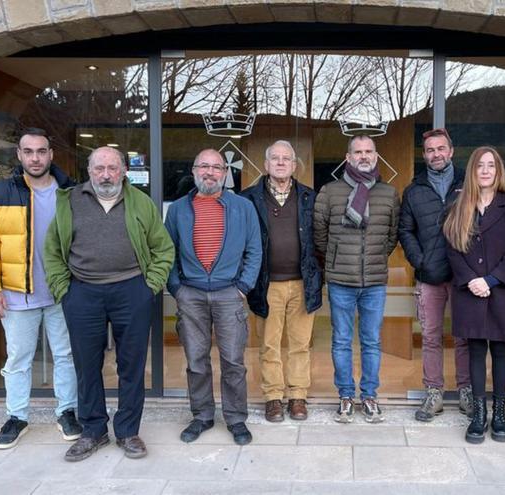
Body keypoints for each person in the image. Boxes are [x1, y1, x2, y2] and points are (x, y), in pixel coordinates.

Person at [44, 146, 174, 462]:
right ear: (89, 171)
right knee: (87, 366)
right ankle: (93, 431)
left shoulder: (140, 203)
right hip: (83, 292)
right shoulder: (70, 201)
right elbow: (51, 251)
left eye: (113, 168)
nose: (106, 174)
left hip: (132, 290)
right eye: (100, 168)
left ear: (124, 171)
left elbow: (164, 249)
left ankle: (128, 431)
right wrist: (65, 291)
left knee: (130, 365)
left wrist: (149, 286)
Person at [0, 128, 81, 449]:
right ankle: (17, 416)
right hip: (17, 294)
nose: (36, 157)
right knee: (18, 358)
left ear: (51, 154)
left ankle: (67, 411)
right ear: (19, 155)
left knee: (66, 355)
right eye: (29, 151)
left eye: (41, 151)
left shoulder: (70, 192)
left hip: (62, 292)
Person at [165, 148, 262, 445]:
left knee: (233, 360)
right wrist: (177, 288)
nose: (210, 172)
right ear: (194, 171)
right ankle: (202, 416)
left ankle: (236, 418)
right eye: (203, 166)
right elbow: (167, 252)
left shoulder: (243, 207)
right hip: (190, 294)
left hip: (229, 293)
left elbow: (255, 250)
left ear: (225, 173)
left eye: (216, 167)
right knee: (196, 360)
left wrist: (243, 286)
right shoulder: (179, 209)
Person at [443, 147, 505, 443]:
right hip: (469, 291)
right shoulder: (459, 204)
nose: (485, 170)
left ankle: (500, 414)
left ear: (498, 171)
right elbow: (452, 247)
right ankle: (479, 415)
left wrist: (491, 280)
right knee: (476, 351)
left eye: (491, 165)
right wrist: (471, 280)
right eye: (480, 165)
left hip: (501, 289)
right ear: (472, 170)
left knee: (501, 351)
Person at [314, 135, 400, 424]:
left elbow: (391, 237)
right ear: (348, 157)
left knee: (371, 341)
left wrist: (372, 259)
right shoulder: (330, 192)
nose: (364, 156)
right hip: (341, 280)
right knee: (341, 341)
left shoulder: (388, 194)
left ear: (376, 156)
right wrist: (338, 260)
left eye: (369, 151)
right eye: (358, 152)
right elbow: (320, 236)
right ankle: (346, 396)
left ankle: (370, 396)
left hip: (374, 281)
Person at [240, 141, 322, 422]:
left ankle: (298, 396)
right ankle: (273, 397)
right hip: (266, 285)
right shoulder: (249, 198)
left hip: (302, 282)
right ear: (266, 164)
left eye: (286, 158)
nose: (280, 162)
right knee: (269, 345)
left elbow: (321, 240)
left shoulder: (310, 197)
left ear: (294, 165)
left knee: (300, 344)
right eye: (274, 158)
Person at [399, 128, 473, 422]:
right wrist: (420, 260)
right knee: (430, 336)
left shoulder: (469, 183)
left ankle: (466, 390)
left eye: (441, 148)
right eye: (430, 150)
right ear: (424, 154)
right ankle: (433, 393)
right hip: (430, 276)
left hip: (464, 275)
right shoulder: (414, 189)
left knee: (464, 336)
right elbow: (405, 230)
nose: (436, 154)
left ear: (451, 151)